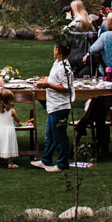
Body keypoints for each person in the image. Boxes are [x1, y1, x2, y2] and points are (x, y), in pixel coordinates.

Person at [36, 41, 78, 171]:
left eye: (54, 48)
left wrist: (48, 85)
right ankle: (46, 160)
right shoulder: (57, 64)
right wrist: (46, 81)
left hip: (60, 106)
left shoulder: (64, 68)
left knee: (59, 136)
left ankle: (62, 164)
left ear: (58, 51)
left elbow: (66, 88)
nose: (53, 50)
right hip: (53, 105)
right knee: (50, 134)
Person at [0, 89, 22, 168]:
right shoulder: (12, 111)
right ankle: (10, 163)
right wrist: (18, 123)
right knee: (8, 145)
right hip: (8, 130)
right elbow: (17, 119)